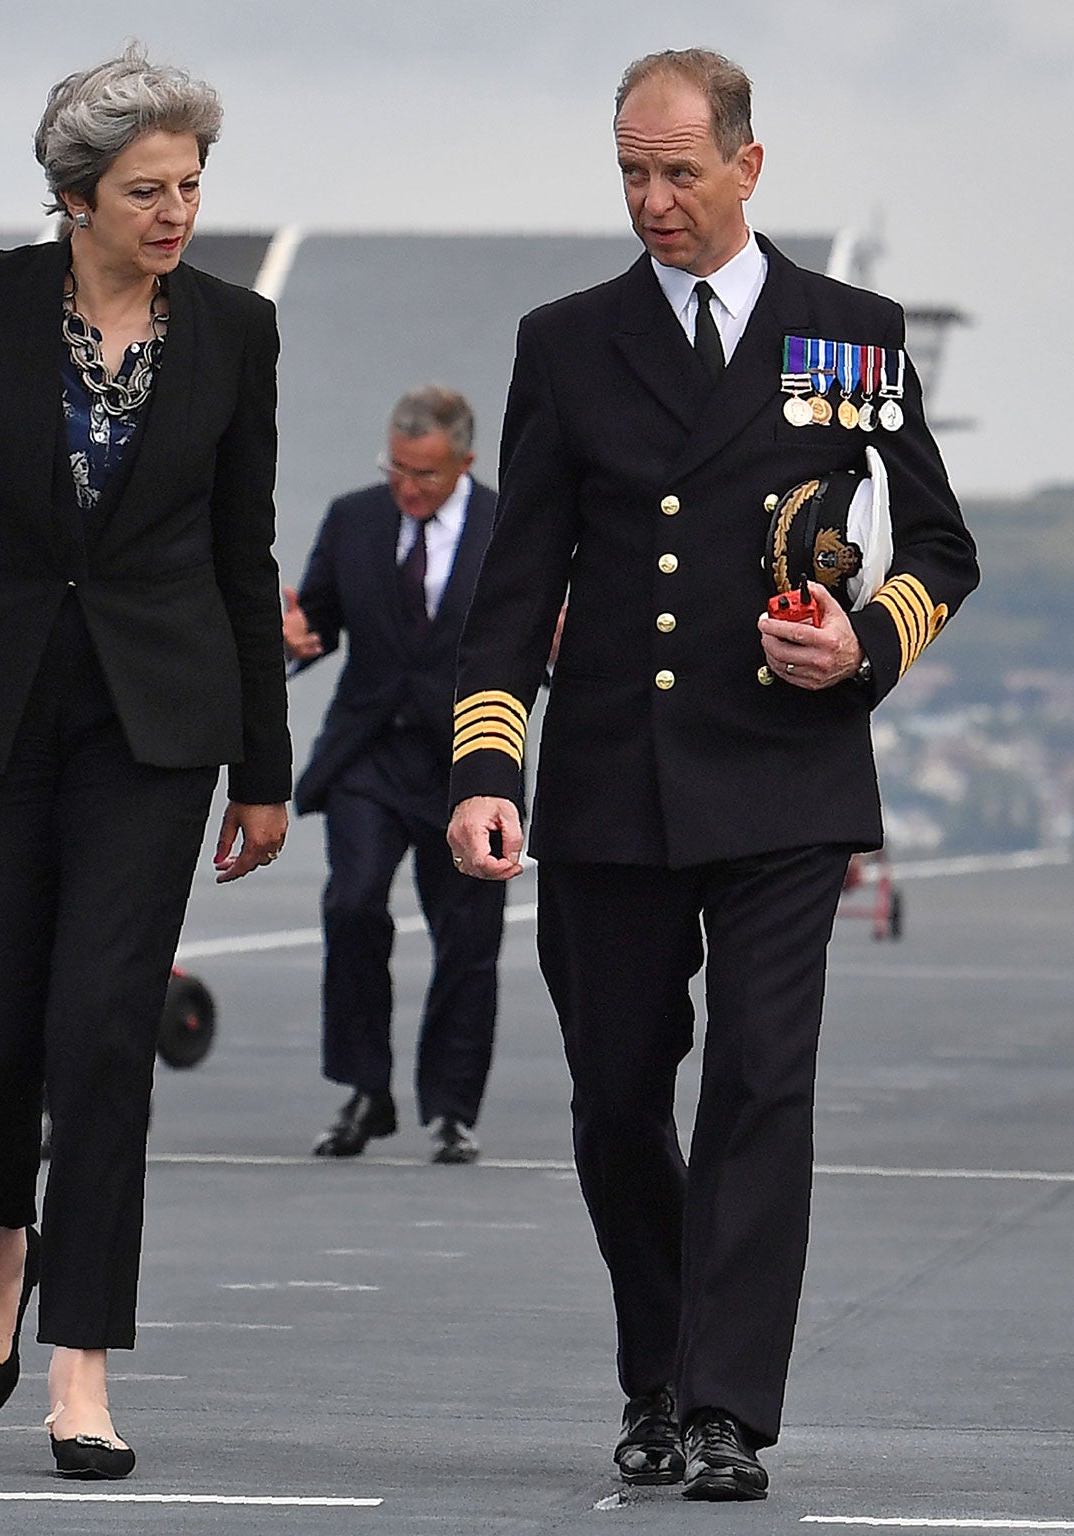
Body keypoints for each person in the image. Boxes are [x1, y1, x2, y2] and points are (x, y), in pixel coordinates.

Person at [447, 49, 978, 1502]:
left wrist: (864, 642)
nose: (652, 199)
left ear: (750, 165)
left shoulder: (846, 339)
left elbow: (941, 545)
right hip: (611, 782)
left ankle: (728, 1407)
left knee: (758, 1083)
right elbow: (515, 584)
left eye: (679, 170)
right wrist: (488, 762)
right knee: (618, 1098)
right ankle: (659, 1367)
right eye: (631, 170)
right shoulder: (567, 342)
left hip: (781, 782)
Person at [0, 45, 288, 1481]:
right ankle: (5, 1249)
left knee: (104, 1031)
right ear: (76, 198)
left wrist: (265, 769)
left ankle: (83, 1366)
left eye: (192, 185)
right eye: (148, 190)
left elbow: (242, 556)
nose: (178, 212)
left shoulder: (237, 332)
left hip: (153, 731)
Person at [284, 387, 507, 1164]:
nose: (407, 487)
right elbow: (313, 624)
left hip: (469, 759)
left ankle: (450, 1109)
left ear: (465, 465)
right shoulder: (355, 518)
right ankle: (364, 1090)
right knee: (350, 905)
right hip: (369, 756)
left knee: (468, 936)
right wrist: (293, 639)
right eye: (396, 468)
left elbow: (533, 639)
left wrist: (557, 652)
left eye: (425, 475)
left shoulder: (506, 527)